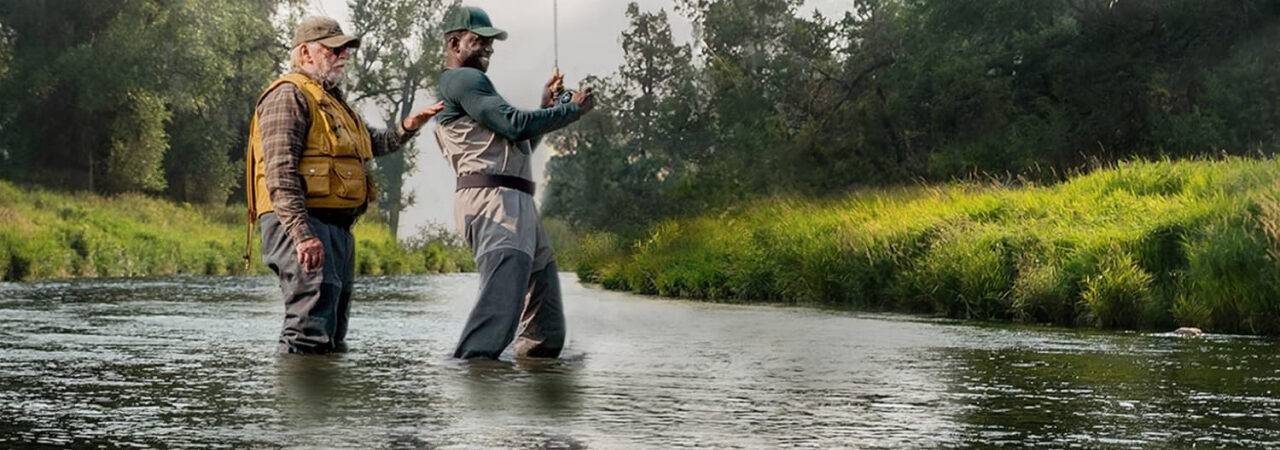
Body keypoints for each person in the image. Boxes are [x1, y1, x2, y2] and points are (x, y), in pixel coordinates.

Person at [244, 16, 444, 354]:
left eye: (345, 49)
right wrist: (303, 235)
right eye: (334, 49)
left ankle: (325, 405)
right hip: (301, 225)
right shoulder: (287, 95)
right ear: (305, 52)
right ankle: (297, 406)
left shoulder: (333, 100)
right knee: (308, 330)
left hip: (334, 228)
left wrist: (409, 125)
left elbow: (373, 144)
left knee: (332, 332)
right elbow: (280, 173)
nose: (344, 55)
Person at [434, 5, 595, 359]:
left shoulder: (475, 86)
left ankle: (528, 395)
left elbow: (517, 144)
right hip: (494, 203)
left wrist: (544, 104)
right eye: (480, 41)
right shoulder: (463, 80)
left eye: (491, 42)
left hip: (515, 202)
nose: (489, 47)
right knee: (499, 313)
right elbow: (515, 124)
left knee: (546, 326)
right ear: (454, 42)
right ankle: (470, 381)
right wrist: (570, 110)